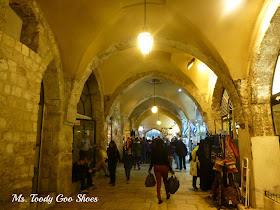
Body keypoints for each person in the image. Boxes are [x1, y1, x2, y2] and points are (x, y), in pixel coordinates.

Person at [149, 138, 174, 204]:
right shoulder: (164, 150)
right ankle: (167, 194)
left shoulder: (154, 151)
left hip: (156, 167)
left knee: (158, 183)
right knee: (165, 181)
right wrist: (171, 169)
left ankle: (159, 198)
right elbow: (167, 160)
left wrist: (150, 169)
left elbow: (152, 161)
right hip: (164, 167)